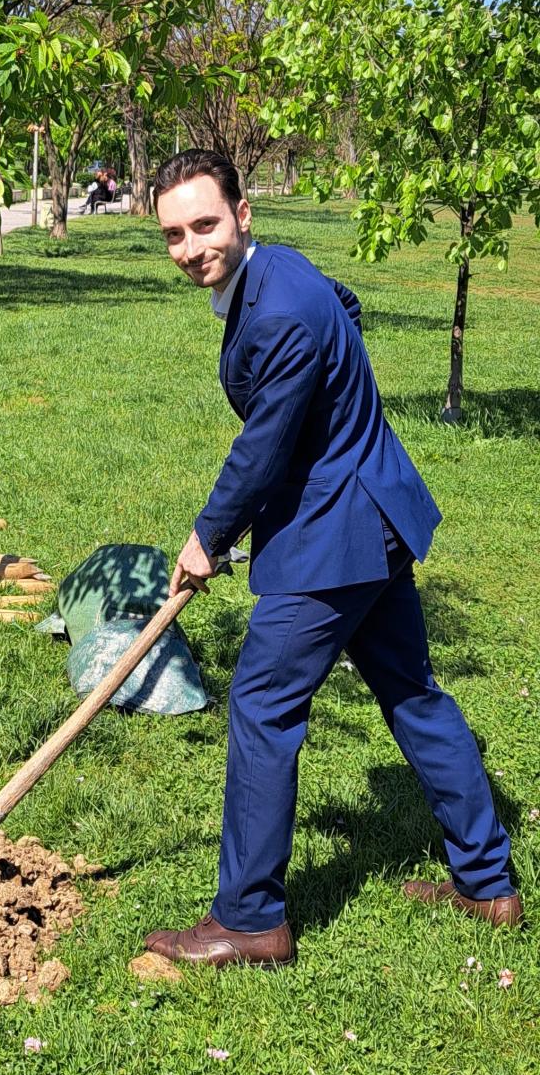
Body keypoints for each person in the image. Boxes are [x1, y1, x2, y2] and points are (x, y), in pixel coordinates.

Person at [143, 148, 520, 967]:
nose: (190, 247)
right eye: (173, 233)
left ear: (243, 214)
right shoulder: (281, 272)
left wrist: (208, 537)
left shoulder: (278, 310)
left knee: (262, 707)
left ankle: (250, 920)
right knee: (413, 694)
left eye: (205, 224)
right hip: (373, 516)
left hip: (334, 537)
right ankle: (490, 885)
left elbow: (264, 448)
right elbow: (340, 308)